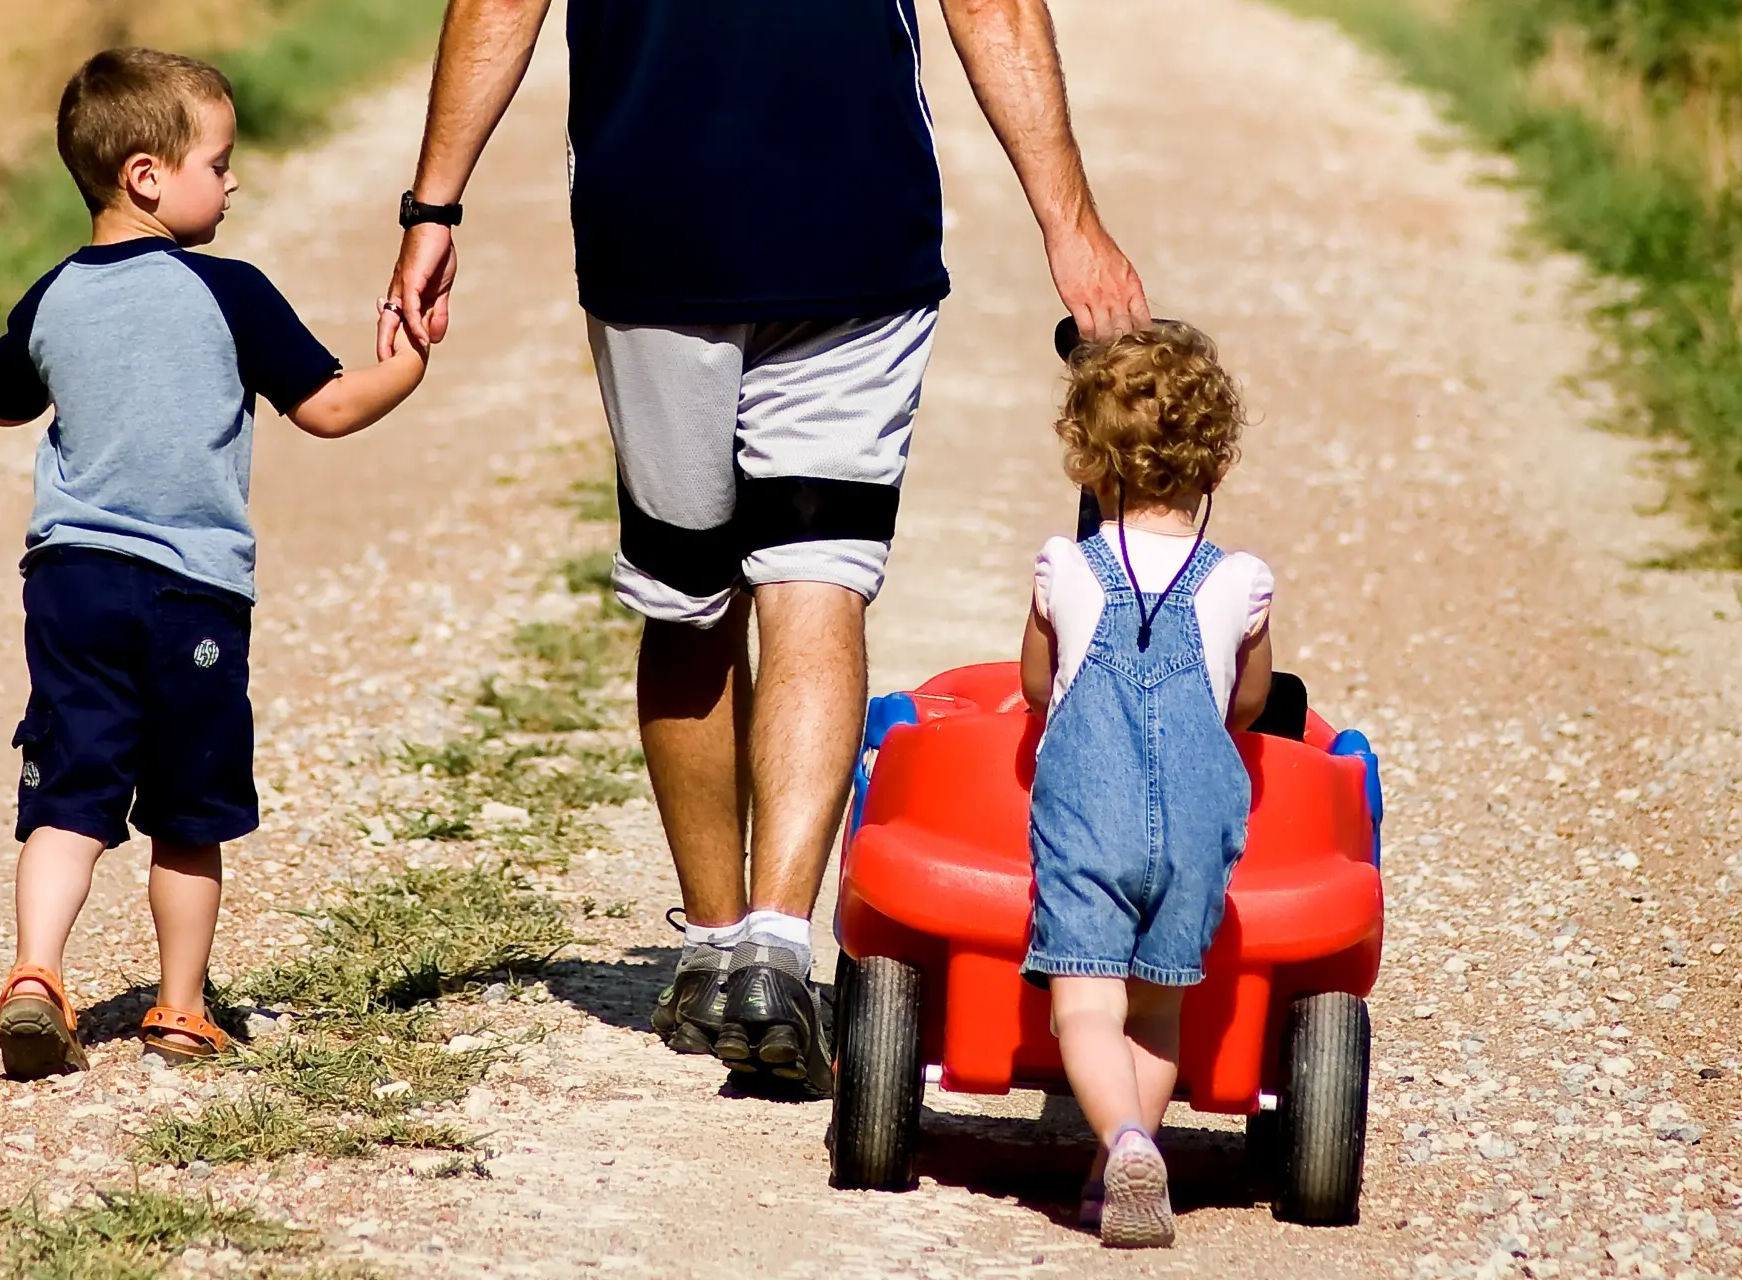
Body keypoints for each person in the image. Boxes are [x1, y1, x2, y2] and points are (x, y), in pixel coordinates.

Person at [381, 0, 1149, 1096]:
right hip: (854, 217)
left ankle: (712, 948)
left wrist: (434, 205)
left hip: (658, 227)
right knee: (816, 576)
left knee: (687, 593)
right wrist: (1069, 222)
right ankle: (776, 948)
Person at [0, 47, 429, 1080]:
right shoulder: (230, 290)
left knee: (68, 789)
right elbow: (328, 407)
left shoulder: (50, 297)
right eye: (218, 164)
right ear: (146, 175)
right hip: (193, 592)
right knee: (187, 808)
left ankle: (37, 972)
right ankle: (180, 1005)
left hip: (71, 583)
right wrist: (407, 363)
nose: (231, 183)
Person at [1019, 322, 1273, 1246]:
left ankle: (1121, 1138)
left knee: (1087, 1001)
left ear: (1090, 462)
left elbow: (1038, 688)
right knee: (1157, 1003)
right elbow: (1244, 705)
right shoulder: (1242, 582)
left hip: (1088, 811)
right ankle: (1121, 1164)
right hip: (1200, 815)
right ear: (1215, 467)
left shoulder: (1067, 567)